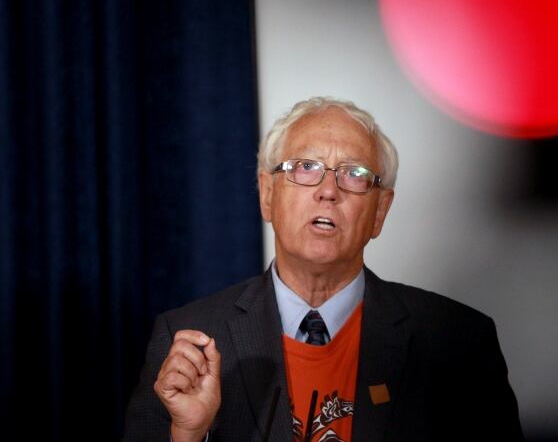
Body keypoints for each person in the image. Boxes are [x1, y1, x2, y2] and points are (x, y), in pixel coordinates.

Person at [123, 97, 524, 441]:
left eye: (355, 175)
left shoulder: (457, 342)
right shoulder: (188, 339)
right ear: (267, 194)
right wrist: (188, 436)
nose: (328, 191)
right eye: (305, 168)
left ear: (379, 212)